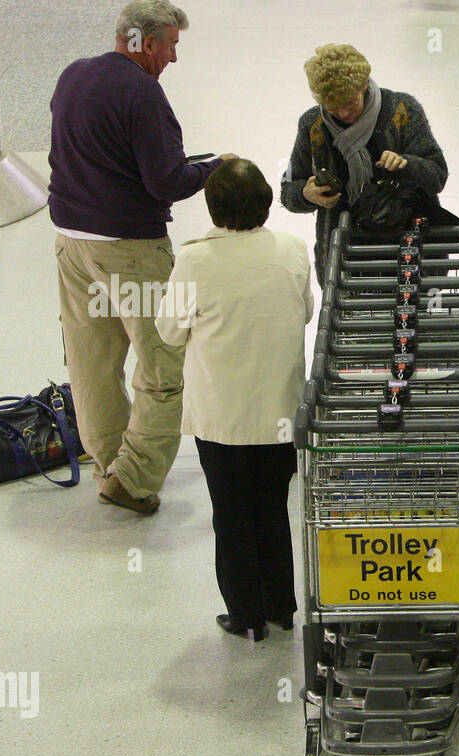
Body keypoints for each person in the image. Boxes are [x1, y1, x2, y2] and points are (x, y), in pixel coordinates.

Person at [50, 0, 236, 514]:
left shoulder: (73, 76)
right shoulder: (143, 92)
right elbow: (165, 181)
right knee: (162, 360)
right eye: (172, 45)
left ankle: (110, 463)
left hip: (71, 244)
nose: (174, 58)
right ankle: (132, 481)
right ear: (147, 42)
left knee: (91, 360)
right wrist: (215, 167)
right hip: (129, 250)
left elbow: (80, 153)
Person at [155, 160, 314, 642]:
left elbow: (168, 330)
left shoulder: (195, 260)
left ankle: (245, 615)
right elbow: (305, 312)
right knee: (272, 509)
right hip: (279, 413)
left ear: (210, 205)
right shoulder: (292, 249)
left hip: (221, 419)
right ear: (267, 202)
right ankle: (282, 607)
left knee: (231, 514)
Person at [279, 43, 459, 281]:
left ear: (364, 86)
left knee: (412, 317)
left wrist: (406, 164)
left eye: (350, 103)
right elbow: (288, 192)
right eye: (333, 108)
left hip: (411, 251)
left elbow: (437, 175)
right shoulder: (312, 124)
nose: (344, 114)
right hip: (346, 259)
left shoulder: (403, 110)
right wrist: (307, 193)